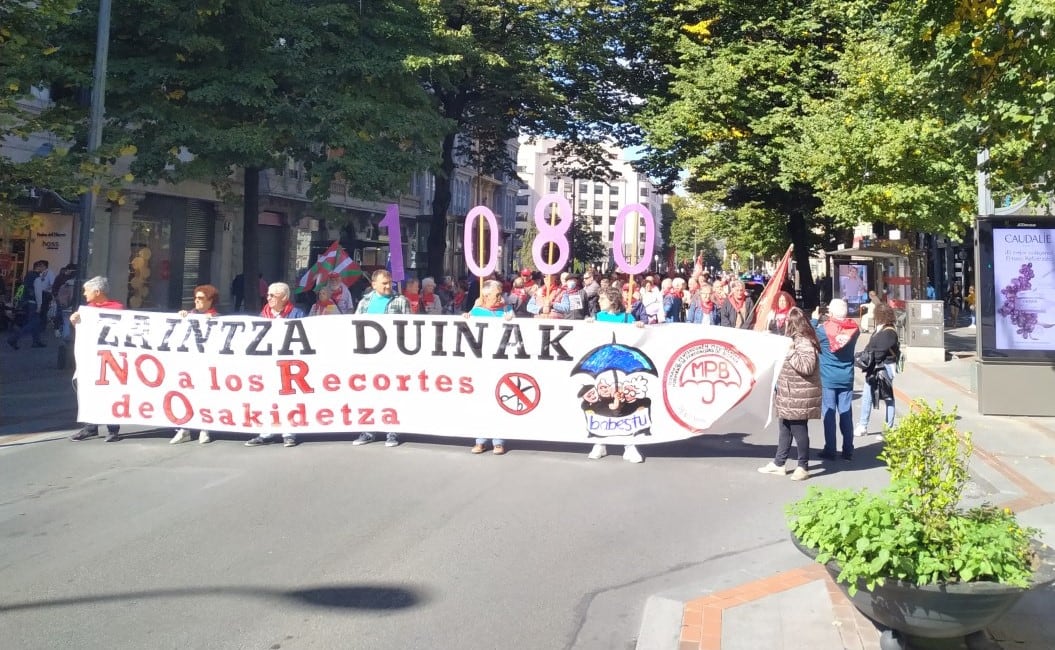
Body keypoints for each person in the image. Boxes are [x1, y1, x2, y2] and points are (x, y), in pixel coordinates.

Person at [758, 307, 821, 480]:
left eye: (787, 321)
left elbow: (807, 367)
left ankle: (803, 466)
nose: (784, 324)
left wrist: (791, 351)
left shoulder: (804, 341)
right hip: (789, 392)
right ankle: (779, 463)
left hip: (799, 394)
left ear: (794, 324)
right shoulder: (793, 339)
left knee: (799, 429)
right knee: (784, 428)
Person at [585, 286, 646, 463]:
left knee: (625, 405)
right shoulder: (598, 317)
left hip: (623, 369)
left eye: (602, 299)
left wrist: (638, 326)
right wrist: (588, 324)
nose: (599, 302)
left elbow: (638, 337)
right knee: (601, 404)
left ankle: (629, 445)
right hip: (603, 367)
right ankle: (599, 442)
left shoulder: (626, 318)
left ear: (612, 301)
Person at [352, 269, 410, 448]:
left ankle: (392, 431)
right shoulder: (364, 302)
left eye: (389, 282)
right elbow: (355, 326)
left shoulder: (400, 301)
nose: (387, 286)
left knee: (391, 394)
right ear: (374, 285)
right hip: (369, 356)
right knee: (369, 393)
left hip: (392, 356)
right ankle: (368, 430)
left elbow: (409, 327)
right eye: (383, 283)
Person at [245, 282, 305, 448]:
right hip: (268, 363)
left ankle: (289, 433)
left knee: (289, 398)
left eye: (273, 295)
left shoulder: (297, 313)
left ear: (284, 298)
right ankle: (266, 432)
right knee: (267, 398)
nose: (268, 298)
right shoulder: (263, 315)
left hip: (289, 364)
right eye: (268, 295)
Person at [69, 276, 125, 442]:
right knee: (89, 389)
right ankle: (90, 427)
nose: (85, 294)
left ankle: (113, 428)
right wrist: (75, 322)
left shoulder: (117, 308)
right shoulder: (87, 311)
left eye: (87, 291)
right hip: (92, 358)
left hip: (111, 358)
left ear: (97, 291)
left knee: (110, 390)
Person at [464, 279, 512, 455]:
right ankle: (480, 440)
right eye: (496, 295)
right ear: (485, 296)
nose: (500, 298)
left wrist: (512, 321)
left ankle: (498, 441)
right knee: (482, 402)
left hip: (501, 362)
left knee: (500, 400)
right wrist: (466, 318)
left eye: (501, 294)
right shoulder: (476, 312)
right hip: (482, 363)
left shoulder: (507, 310)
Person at [171, 285, 221, 444]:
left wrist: (213, 323)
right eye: (196, 298)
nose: (196, 301)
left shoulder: (217, 318)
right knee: (187, 395)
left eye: (201, 299)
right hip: (190, 364)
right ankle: (184, 429)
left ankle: (204, 428)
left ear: (210, 301)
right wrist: (181, 318)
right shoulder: (190, 315)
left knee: (204, 396)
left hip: (207, 365)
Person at [814, 298, 860, 460]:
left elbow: (809, 335)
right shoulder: (855, 329)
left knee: (829, 413)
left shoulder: (822, 331)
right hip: (846, 377)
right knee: (846, 413)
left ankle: (830, 449)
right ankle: (848, 450)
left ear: (831, 312)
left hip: (827, 378)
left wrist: (814, 319)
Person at [855, 303, 900, 439]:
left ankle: (888, 428)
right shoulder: (881, 328)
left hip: (884, 367)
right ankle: (863, 425)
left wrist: (867, 358)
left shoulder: (889, 331)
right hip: (876, 367)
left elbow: (879, 351)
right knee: (868, 395)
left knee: (887, 397)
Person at [7, 260, 48, 349]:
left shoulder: (28, 275)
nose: (44, 269)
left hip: (27, 302)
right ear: (39, 267)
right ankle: (13, 338)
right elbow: (38, 292)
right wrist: (39, 305)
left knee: (35, 323)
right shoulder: (36, 278)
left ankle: (36, 341)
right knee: (32, 323)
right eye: (43, 267)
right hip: (34, 303)